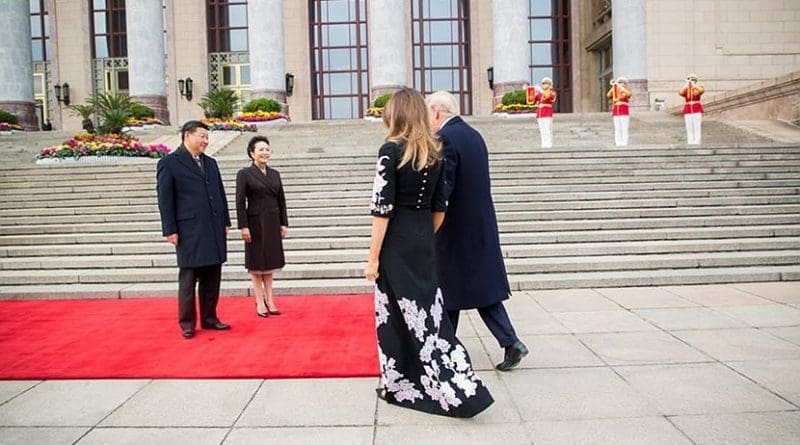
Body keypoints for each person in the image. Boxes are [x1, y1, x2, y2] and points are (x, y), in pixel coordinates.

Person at [364, 88, 493, 418]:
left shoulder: (389, 151)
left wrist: (373, 257)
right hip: (423, 241)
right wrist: (422, 236)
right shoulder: (434, 152)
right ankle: (453, 380)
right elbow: (440, 208)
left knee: (392, 314)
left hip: (395, 243)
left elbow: (382, 209)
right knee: (429, 315)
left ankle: (400, 383)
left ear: (396, 115)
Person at [426, 90, 529, 372]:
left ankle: (444, 348)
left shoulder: (445, 138)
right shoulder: (474, 135)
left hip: (454, 230)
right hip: (479, 226)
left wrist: (426, 216)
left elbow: (444, 187)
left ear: (437, 112)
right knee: (479, 292)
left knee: (448, 288)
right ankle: (509, 342)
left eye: (427, 114)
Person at [156, 120, 232, 339]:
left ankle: (210, 318)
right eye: (202, 136)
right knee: (189, 278)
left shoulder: (211, 163)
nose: (205, 141)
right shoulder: (169, 163)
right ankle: (187, 323)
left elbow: (219, 193)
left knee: (212, 276)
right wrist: (170, 229)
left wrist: (225, 220)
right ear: (187, 136)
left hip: (213, 226)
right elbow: (165, 200)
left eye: (207, 137)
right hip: (188, 229)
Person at [236, 135, 288, 317]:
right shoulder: (244, 174)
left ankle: (270, 300)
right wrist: (243, 226)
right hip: (255, 223)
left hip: (273, 221)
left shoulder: (275, 174)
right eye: (261, 150)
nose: (265, 152)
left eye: (267, 149)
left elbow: (281, 200)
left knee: (270, 263)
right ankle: (259, 301)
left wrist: (283, 223)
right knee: (257, 264)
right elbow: (240, 202)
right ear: (252, 153)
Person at [679, 73, 704, 145]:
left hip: (696, 108)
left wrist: (694, 84)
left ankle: (697, 142)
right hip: (688, 109)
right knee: (689, 127)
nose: (691, 80)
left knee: (697, 126)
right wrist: (686, 84)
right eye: (689, 79)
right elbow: (680, 93)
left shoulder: (699, 87)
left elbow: (700, 91)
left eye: (693, 79)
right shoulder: (686, 89)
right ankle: (690, 142)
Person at [607, 76, 632, 146]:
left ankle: (624, 143)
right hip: (616, 112)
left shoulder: (627, 90)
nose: (621, 84)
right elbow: (608, 95)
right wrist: (614, 87)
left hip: (624, 111)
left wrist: (620, 87)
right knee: (617, 128)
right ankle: (618, 143)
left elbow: (628, 94)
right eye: (620, 82)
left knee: (624, 128)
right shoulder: (615, 90)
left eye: (623, 82)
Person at [535, 77, 557, 148]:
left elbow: (549, 97)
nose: (544, 85)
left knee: (547, 130)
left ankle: (548, 145)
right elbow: (532, 100)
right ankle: (544, 144)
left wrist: (540, 91)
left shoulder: (552, 92)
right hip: (540, 114)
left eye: (546, 83)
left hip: (547, 113)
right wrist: (528, 90)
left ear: (550, 84)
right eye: (543, 83)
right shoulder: (540, 94)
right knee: (542, 130)